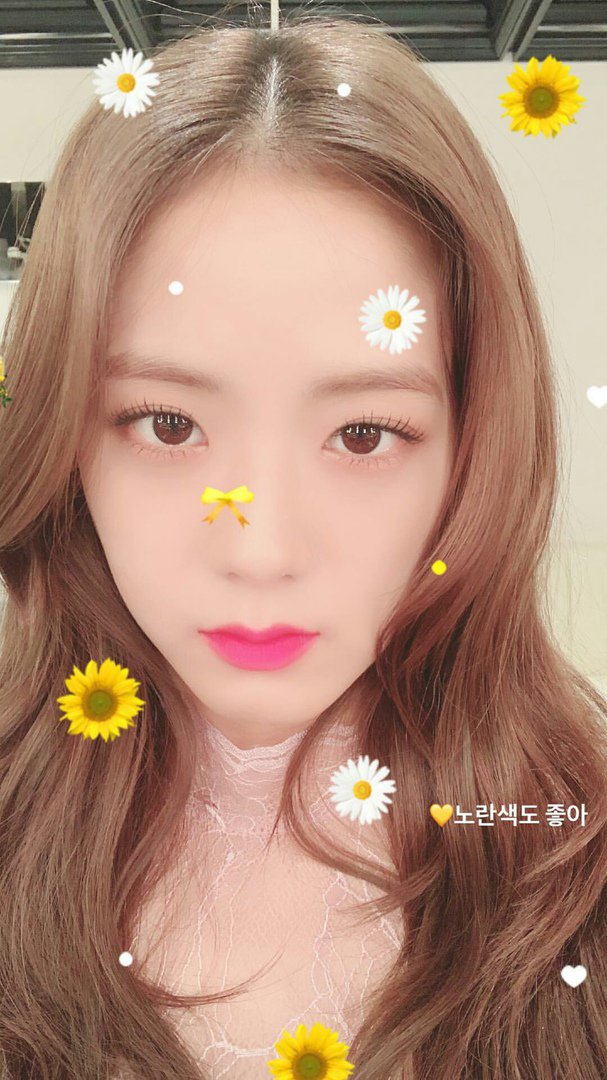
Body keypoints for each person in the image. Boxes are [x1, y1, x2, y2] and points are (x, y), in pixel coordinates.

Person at [0, 8, 606, 1080]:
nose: (261, 550)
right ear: (66, 435)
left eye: (363, 434)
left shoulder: (569, 843)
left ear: (474, 443)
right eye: (167, 425)